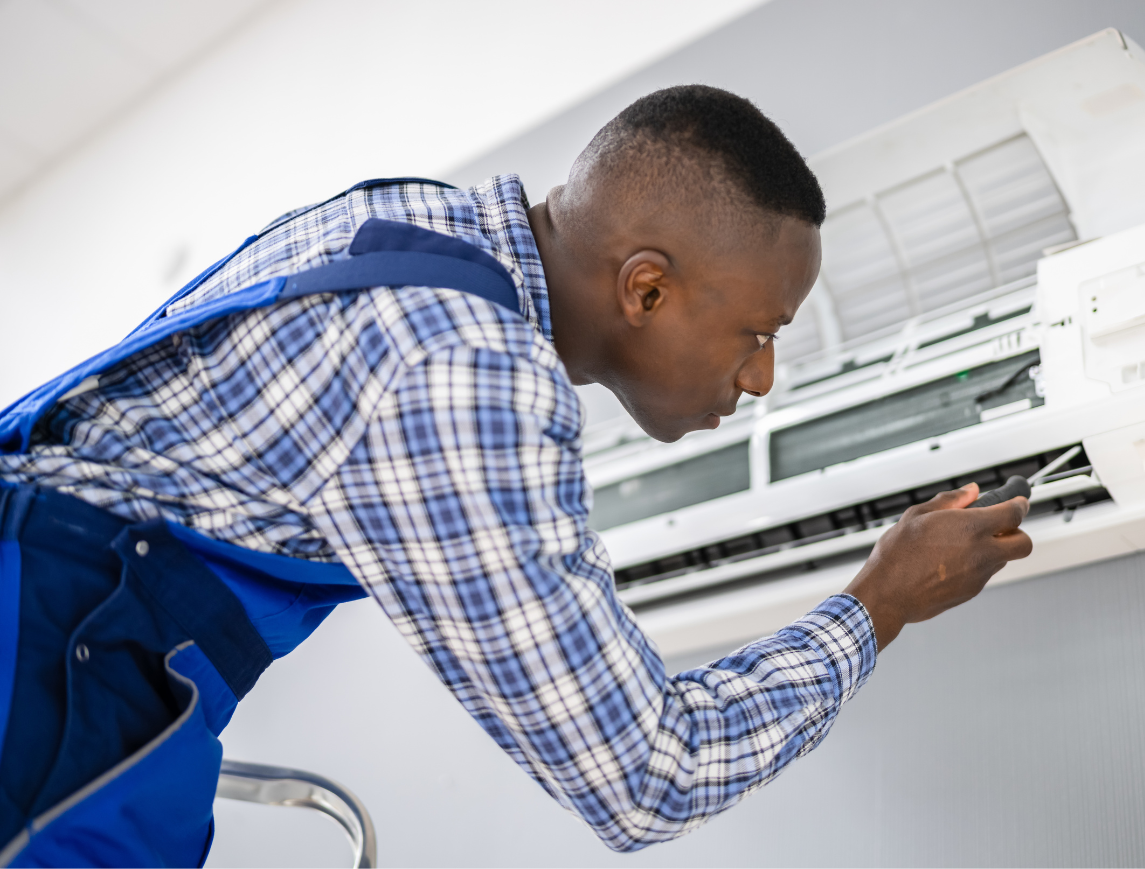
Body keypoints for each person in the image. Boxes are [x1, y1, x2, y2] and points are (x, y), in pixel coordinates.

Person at [0, 85, 1030, 866]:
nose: (759, 376)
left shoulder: (410, 222)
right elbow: (646, 778)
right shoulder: (467, 370)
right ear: (647, 287)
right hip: (40, 680)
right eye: (756, 333)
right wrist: (875, 603)